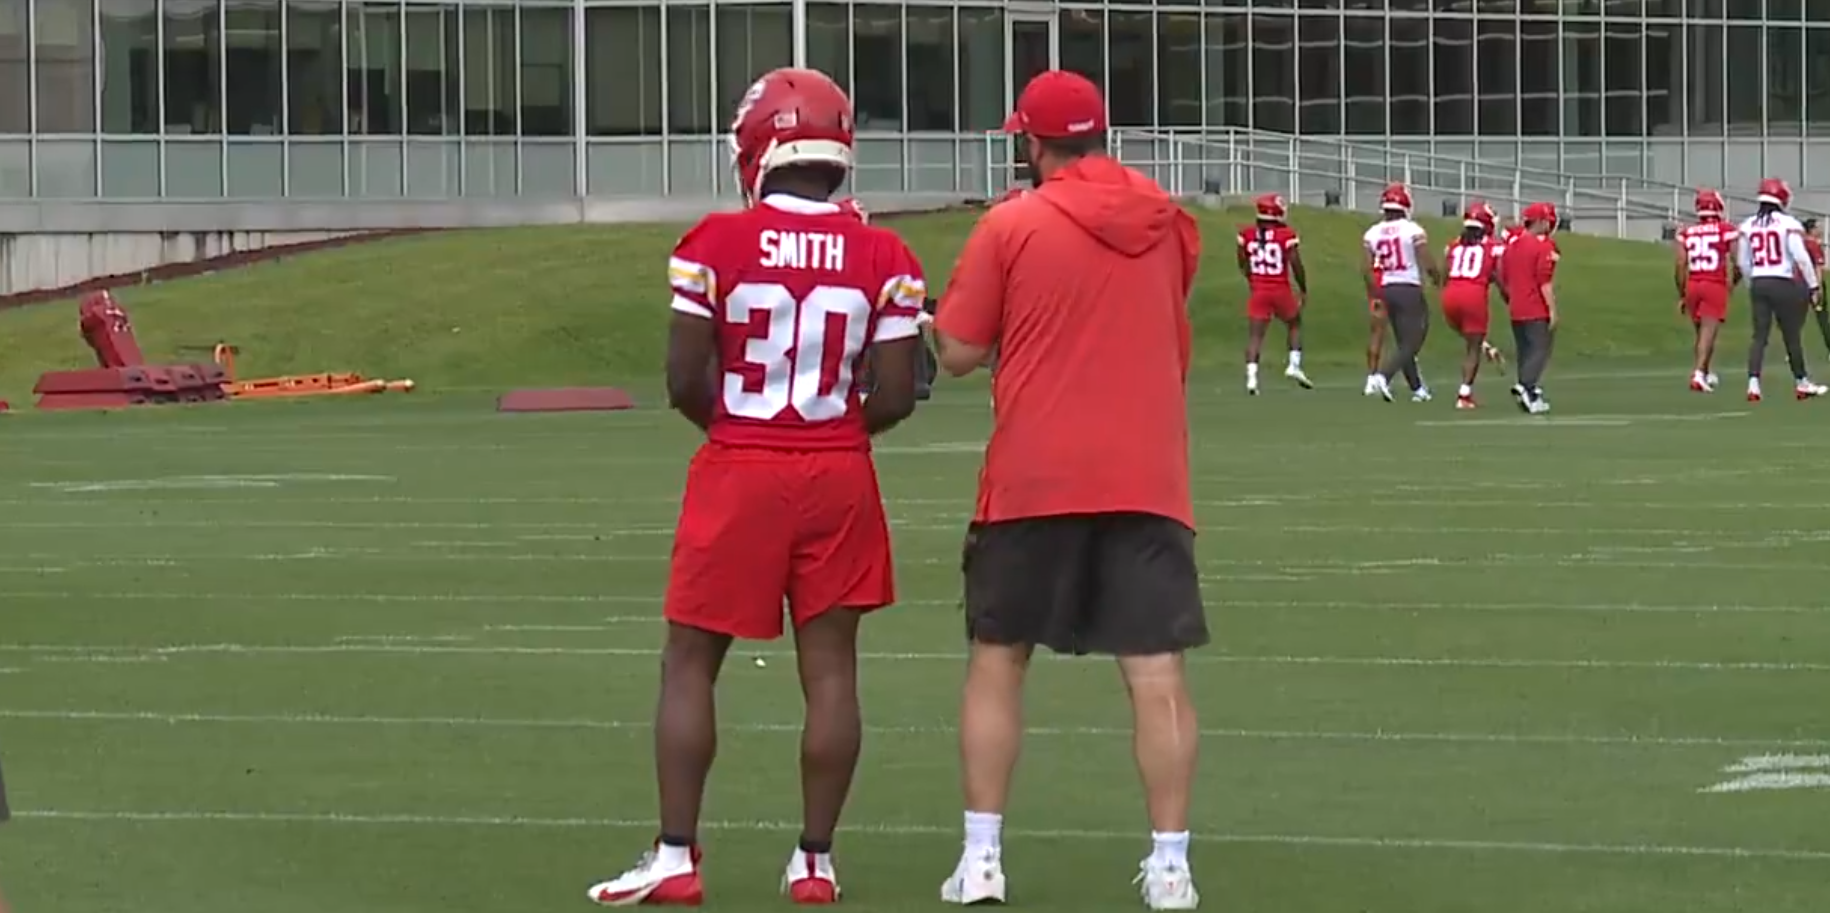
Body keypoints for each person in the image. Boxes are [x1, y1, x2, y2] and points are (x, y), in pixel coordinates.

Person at [586, 67, 928, 907]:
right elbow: (895, 392)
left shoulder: (715, 243)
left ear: (760, 145)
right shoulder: (886, 254)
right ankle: (815, 859)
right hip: (838, 466)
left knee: (691, 663)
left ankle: (675, 855)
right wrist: (831, 432)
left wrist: (744, 433)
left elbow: (683, 377)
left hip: (741, 463)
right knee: (833, 672)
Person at [928, 69, 1206, 911]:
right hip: (1147, 469)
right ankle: (1170, 866)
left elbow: (960, 350)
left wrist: (931, 316)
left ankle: (982, 859)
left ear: (1032, 139)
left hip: (1035, 471)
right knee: (1155, 673)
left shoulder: (1010, 223)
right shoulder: (1169, 221)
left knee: (997, 660)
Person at [1735, 178, 1827, 402]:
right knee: (1791, 335)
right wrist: (1813, 284)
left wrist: (1752, 281)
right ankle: (1801, 381)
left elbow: (1742, 261)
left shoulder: (1747, 225)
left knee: (1759, 336)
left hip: (1759, 281)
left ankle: (1753, 384)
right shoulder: (1788, 224)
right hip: (1782, 281)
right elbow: (1801, 257)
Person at [1361, 183, 1441, 402]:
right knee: (1413, 340)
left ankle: (1417, 389)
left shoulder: (1372, 232)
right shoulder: (1412, 230)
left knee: (1404, 341)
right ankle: (1383, 377)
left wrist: (1375, 294)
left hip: (1386, 287)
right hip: (1408, 287)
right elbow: (1425, 258)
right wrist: (1437, 277)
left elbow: (1366, 268)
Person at [1236, 193, 1313, 393]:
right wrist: (1303, 287)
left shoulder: (1247, 234)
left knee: (1255, 336)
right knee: (1294, 323)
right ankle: (1294, 365)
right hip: (1279, 288)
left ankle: (1251, 379)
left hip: (1259, 289)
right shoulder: (1285, 235)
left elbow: (1242, 262)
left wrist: (1251, 278)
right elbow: (1295, 263)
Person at [1440, 201, 1508, 409]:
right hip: (1474, 293)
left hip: (1451, 292)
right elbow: (1497, 274)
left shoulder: (1453, 245)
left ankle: (1487, 347)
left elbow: (1445, 273)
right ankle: (1464, 394)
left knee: (1467, 334)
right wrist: (1507, 295)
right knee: (1472, 348)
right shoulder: (1493, 247)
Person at [1674, 188, 1739, 393]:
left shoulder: (1687, 232)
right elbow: (1738, 262)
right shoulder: (1726, 229)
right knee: (1708, 332)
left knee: (1701, 333)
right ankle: (1698, 374)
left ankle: (1706, 371)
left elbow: (1680, 264)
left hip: (1693, 283)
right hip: (1714, 282)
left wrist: (1682, 293)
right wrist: (1732, 283)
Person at [1500, 201, 1561, 413]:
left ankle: (1530, 392)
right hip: (1535, 306)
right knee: (1540, 349)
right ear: (1541, 222)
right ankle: (1526, 385)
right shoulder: (1542, 247)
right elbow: (1544, 281)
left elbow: (1504, 277)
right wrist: (1553, 309)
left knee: (1524, 351)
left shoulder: (1511, 247)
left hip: (1516, 306)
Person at [1803, 217, 1830, 357]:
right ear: (1812, 230)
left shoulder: (1800, 243)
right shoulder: (1814, 246)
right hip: (1813, 284)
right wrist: (1818, 288)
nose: (1820, 230)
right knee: (1823, 318)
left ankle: (1792, 351)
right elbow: (1818, 268)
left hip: (1800, 284)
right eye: (1818, 227)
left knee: (1797, 319)